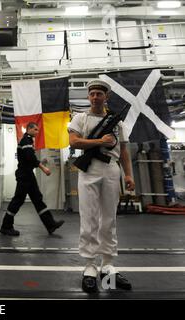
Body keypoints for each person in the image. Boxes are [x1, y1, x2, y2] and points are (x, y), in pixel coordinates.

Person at [68, 79, 135, 293]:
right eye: (92, 93)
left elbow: (123, 151)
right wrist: (99, 142)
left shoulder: (118, 123)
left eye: (99, 93)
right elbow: (74, 142)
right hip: (89, 170)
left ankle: (107, 265)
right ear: (88, 97)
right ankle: (89, 267)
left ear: (107, 97)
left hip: (111, 170)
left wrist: (129, 175)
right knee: (89, 217)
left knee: (109, 218)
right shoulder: (80, 118)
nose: (95, 97)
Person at [0, 122, 64, 236]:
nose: (37, 132)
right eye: (35, 129)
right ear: (29, 129)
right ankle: (6, 226)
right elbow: (30, 157)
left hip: (27, 174)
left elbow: (29, 158)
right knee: (18, 200)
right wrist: (43, 168)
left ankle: (50, 225)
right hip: (25, 175)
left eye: (37, 130)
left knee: (37, 199)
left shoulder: (28, 140)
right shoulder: (26, 140)